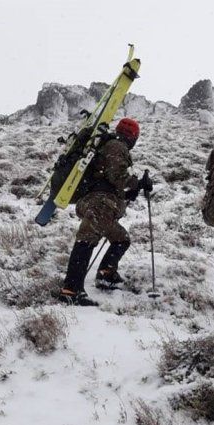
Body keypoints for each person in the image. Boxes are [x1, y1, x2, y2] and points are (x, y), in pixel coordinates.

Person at [57, 118, 153, 306]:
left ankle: (106, 274)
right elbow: (116, 175)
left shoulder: (110, 145)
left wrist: (130, 192)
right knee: (86, 241)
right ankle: (71, 290)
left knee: (121, 239)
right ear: (133, 137)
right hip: (100, 204)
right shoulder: (117, 146)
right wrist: (138, 183)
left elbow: (109, 179)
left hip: (100, 204)